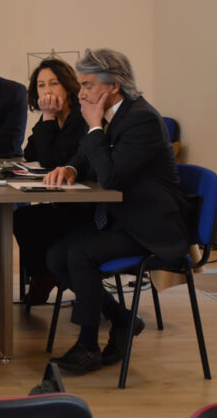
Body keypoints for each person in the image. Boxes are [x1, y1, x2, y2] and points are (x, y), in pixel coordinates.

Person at [44, 48, 193, 375]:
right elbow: (86, 154)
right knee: (56, 255)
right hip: (120, 219)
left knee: (81, 253)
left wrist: (94, 126)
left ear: (113, 86)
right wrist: (71, 167)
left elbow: (110, 177)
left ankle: (87, 347)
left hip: (150, 225)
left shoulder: (142, 119)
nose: (80, 94)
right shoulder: (112, 114)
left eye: (88, 85)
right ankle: (123, 318)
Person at [13, 57, 91, 306]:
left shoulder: (81, 117)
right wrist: (47, 120)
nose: (47, 91)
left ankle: (50, 277)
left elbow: (51, 160)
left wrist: (47, 116)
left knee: (31, 221)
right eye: (41, 85)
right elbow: (30, 153)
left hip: (87, 205)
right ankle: (43, 277)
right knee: (23, 218)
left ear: (68, 86)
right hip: (64, 201)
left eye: (53, 83)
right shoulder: (53, 116)